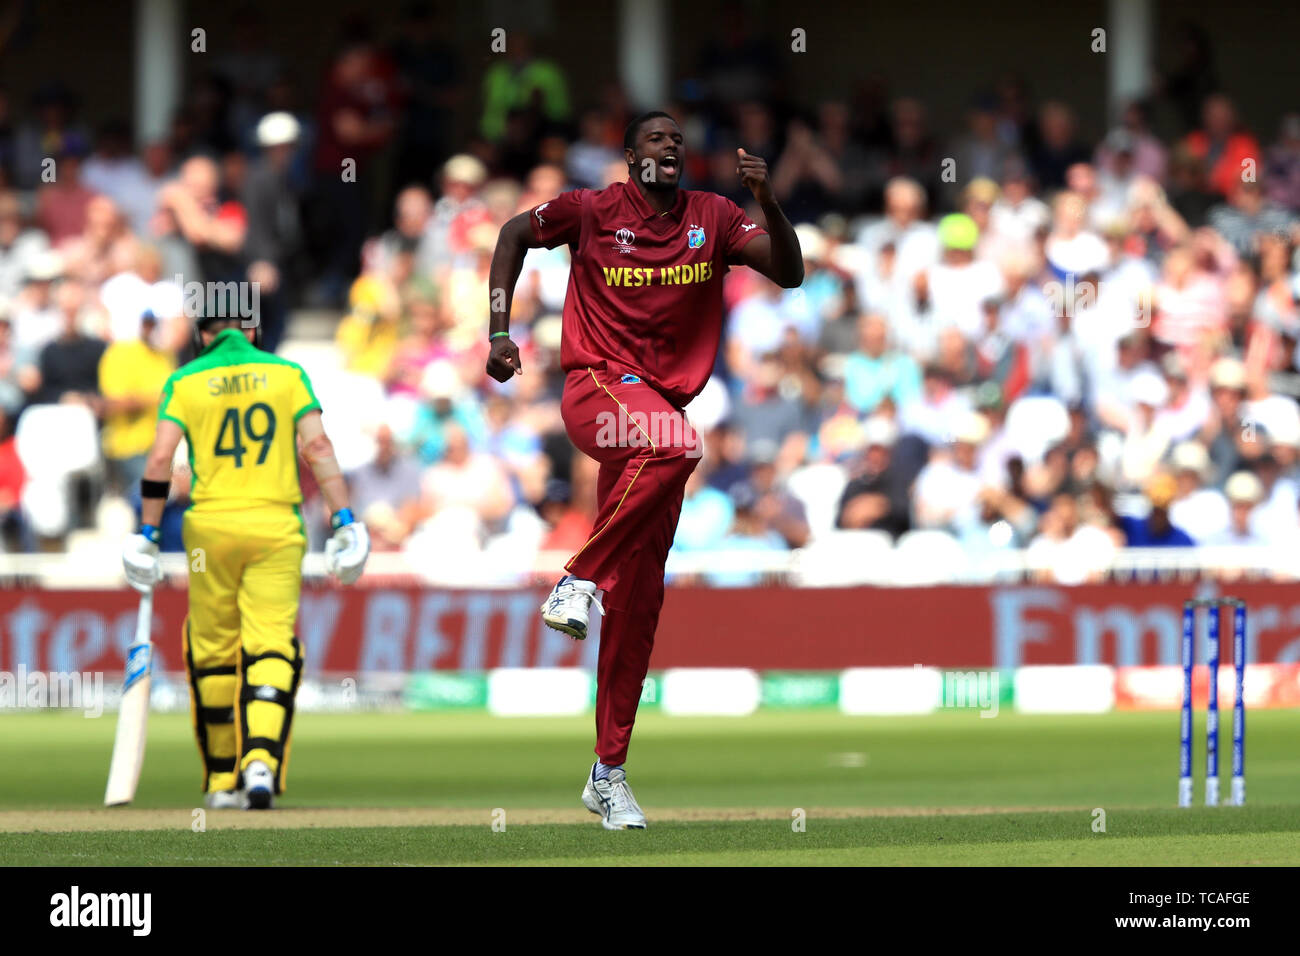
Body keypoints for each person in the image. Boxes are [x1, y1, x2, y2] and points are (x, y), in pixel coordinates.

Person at [485, 110, 802, 829]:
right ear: (631, 157)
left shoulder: (715, 216)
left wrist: (771, 204)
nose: (671, 147)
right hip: (596, 388)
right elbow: (511, 234)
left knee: (642, 602)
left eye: (679, 141)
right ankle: (577, 575)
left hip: (651, 426)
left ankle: (609, 772)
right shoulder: (594, 211)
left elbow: (790, 272)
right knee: (682, 444)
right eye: (656, 139)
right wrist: (500, 331)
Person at [120, 314, 370, 810]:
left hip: (206, 534)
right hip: (276, 528)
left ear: (203, 335)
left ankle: (218, 779)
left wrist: (147, 533)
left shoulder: (185, 380)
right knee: (272, 644)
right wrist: (345, 519)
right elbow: (316, 445)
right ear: (252, 331)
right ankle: (260, 763)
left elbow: (159, 461)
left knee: (212, 648)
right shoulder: (287, 373)